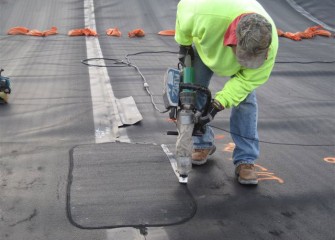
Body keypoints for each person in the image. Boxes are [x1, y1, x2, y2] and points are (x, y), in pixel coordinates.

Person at [175, 0, 278, 185]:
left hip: (231, 51)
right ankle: (202, 144)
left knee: (245, 101)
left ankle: (246, 160)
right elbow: (183, 11)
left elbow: (245, 82)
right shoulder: (203, 12)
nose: (246, 62)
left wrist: (215, 106)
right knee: (195, 91)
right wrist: (184, 45)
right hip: (207, 44)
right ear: (232, 39)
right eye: (243, 55)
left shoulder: (269, 44)